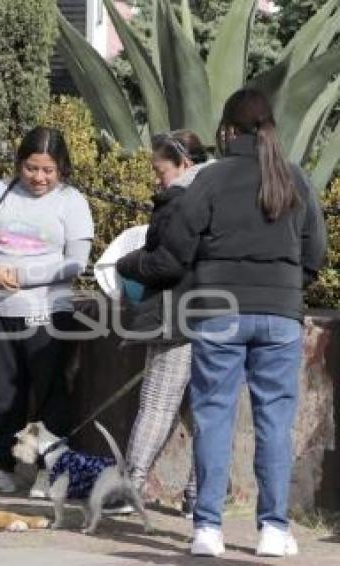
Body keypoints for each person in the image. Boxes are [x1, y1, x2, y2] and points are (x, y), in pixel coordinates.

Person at [147, 89, 326, 557]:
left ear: (228, 130)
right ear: (270, 129)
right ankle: (272, 528)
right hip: (281, 316)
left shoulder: (210, 179)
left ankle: (207, 528)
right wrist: (286, 286)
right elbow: (315, 254)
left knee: (213, 417)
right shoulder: (295, 180)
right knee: (274, 422)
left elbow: (178, 247)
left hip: (219, 313)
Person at [0, 126, 94, 496]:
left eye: (48, 171)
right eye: (31, 168)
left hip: (47, 311)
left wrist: (25, 276)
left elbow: (76, 263)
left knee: (50, 389)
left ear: (62, 169)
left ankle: (49, 469)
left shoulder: (72, 202)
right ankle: (3, 465)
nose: (39, 178)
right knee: (6, 392)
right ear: (19, 164)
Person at [116, 129, 211, 518]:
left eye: (161, 170)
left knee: (157, 403)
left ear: (184, 164)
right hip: (222, 314)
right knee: (208, 409)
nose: (158, 179)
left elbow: (166, 261)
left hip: (177, 313)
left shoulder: (179, 201)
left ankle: (130, 486)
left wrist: (128, 262)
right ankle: (199, 495)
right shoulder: (228, 193)